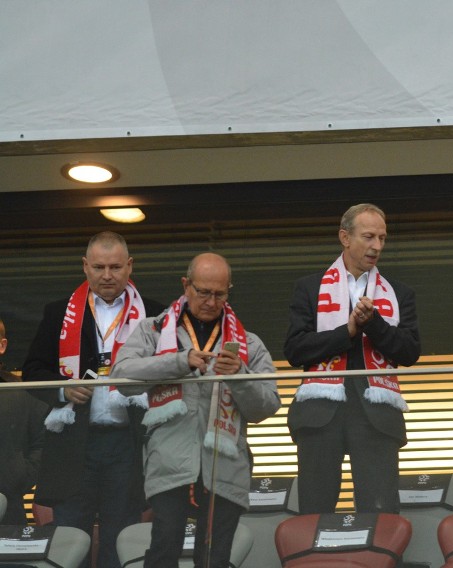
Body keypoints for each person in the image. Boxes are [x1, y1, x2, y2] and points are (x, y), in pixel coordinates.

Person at [112, 252, 280, 568]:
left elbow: (267, 406)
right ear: (186, 285)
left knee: (214, 558)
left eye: (220, 294)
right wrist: (178, 361)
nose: (211, 301)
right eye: (203, 291)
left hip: (226, 465)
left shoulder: (247, 343)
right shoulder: (154, 330)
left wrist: (240, 376)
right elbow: (121, 378)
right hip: (170, 458)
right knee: (164, 547)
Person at [22, 232, 163, 568]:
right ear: (85, 267)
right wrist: (62, 388)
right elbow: (32, 371)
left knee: (123, 537)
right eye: (98, 266)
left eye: (115, 266)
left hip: (127, 442)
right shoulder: (59, 312)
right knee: (70, 537)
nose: (107, 275)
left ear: (130, 266)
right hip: (74, 444)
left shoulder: (156, 314)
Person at [284, 203, 421, 514]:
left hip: (376, 414)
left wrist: (373, 323)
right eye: (369, 237)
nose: (377, 247)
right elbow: (294, 350)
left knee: (380, 511)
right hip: (320, 412)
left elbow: (410, 352)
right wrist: (346, 331)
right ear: (345, 238)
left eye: (383, 239)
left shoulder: (399, 293)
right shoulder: (309, 287)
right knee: (314, 511)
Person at [0, 317, 48, 525]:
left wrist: (20, 477)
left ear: (2, 346)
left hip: (11, 505)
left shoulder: (24, 391)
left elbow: (42, 442)